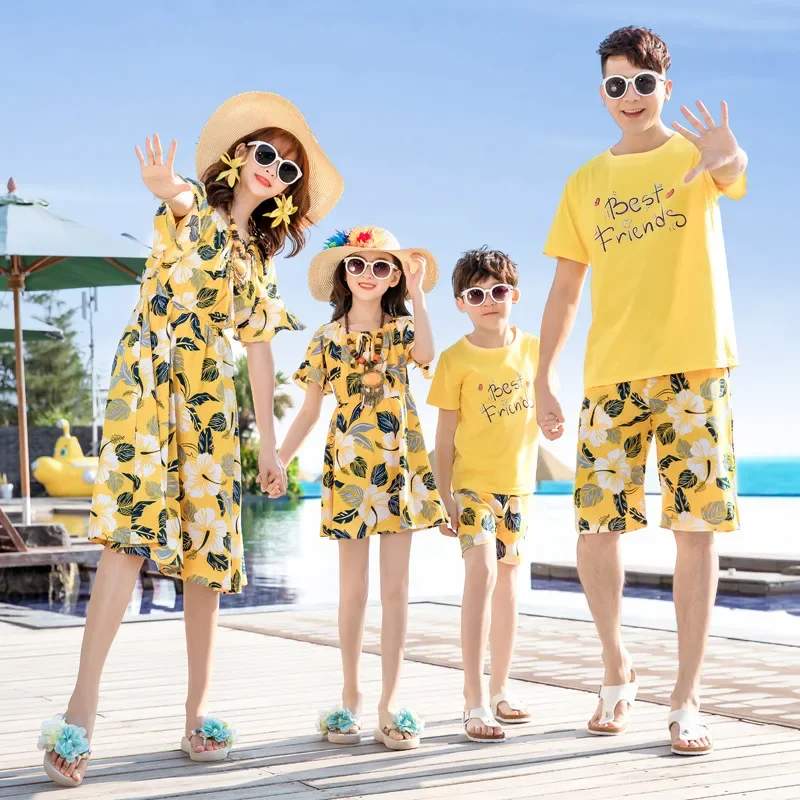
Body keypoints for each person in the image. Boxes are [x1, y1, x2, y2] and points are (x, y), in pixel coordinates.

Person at [37, 92, 343, 787]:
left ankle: (196, 709)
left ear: (290, 195)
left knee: (206, 553)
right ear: (239, 156)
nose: (274, 171)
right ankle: (79, 714)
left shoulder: (260, 264)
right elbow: (178, 197)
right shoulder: (193, 213)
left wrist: (271, 446)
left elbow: (259, 355)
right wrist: (164, 185)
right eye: (267, 155)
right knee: (126, 542)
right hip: (146, 387)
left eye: (289, 171)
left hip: (210, 408)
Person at [536, 27, 747, 756]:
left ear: (666, 86)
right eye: (616, 84)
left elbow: (732, 168)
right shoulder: (584, 182)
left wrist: (728, 152)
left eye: (643, 83)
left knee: (696, 529)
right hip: (610, 376)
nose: (630, 96)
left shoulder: (697, 155)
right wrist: (544, 378)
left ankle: (687, 696)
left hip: (695, 366)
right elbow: (565, 291)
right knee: (595, 528)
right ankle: (617, 664)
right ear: (603, 92)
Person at [273, 225, 446, 751]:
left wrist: (417, 293)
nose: (368, 273)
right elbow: (307, 411)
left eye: (380, 265)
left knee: (396, 592)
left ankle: (390, 703)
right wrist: (279, 457)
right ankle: (349, 696)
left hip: (401, 463)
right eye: (357, 263)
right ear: (341, 274)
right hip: (349, 466)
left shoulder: (401, 329)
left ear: (393, 275)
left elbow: (425, 354)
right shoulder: (324, 340)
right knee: (353, 592)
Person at [429, 247, 539, 743]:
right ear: (461, 303)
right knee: (483, 571)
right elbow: (444, 437)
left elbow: (550, 403)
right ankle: (472, 697)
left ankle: (500, 688)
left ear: (513, 294)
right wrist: (443, 497)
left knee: (512, 588)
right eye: (477, 294)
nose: (489, 301)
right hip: (471, 487)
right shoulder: (454, 361)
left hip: (518, 488)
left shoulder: (535, 350)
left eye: (498, 291)